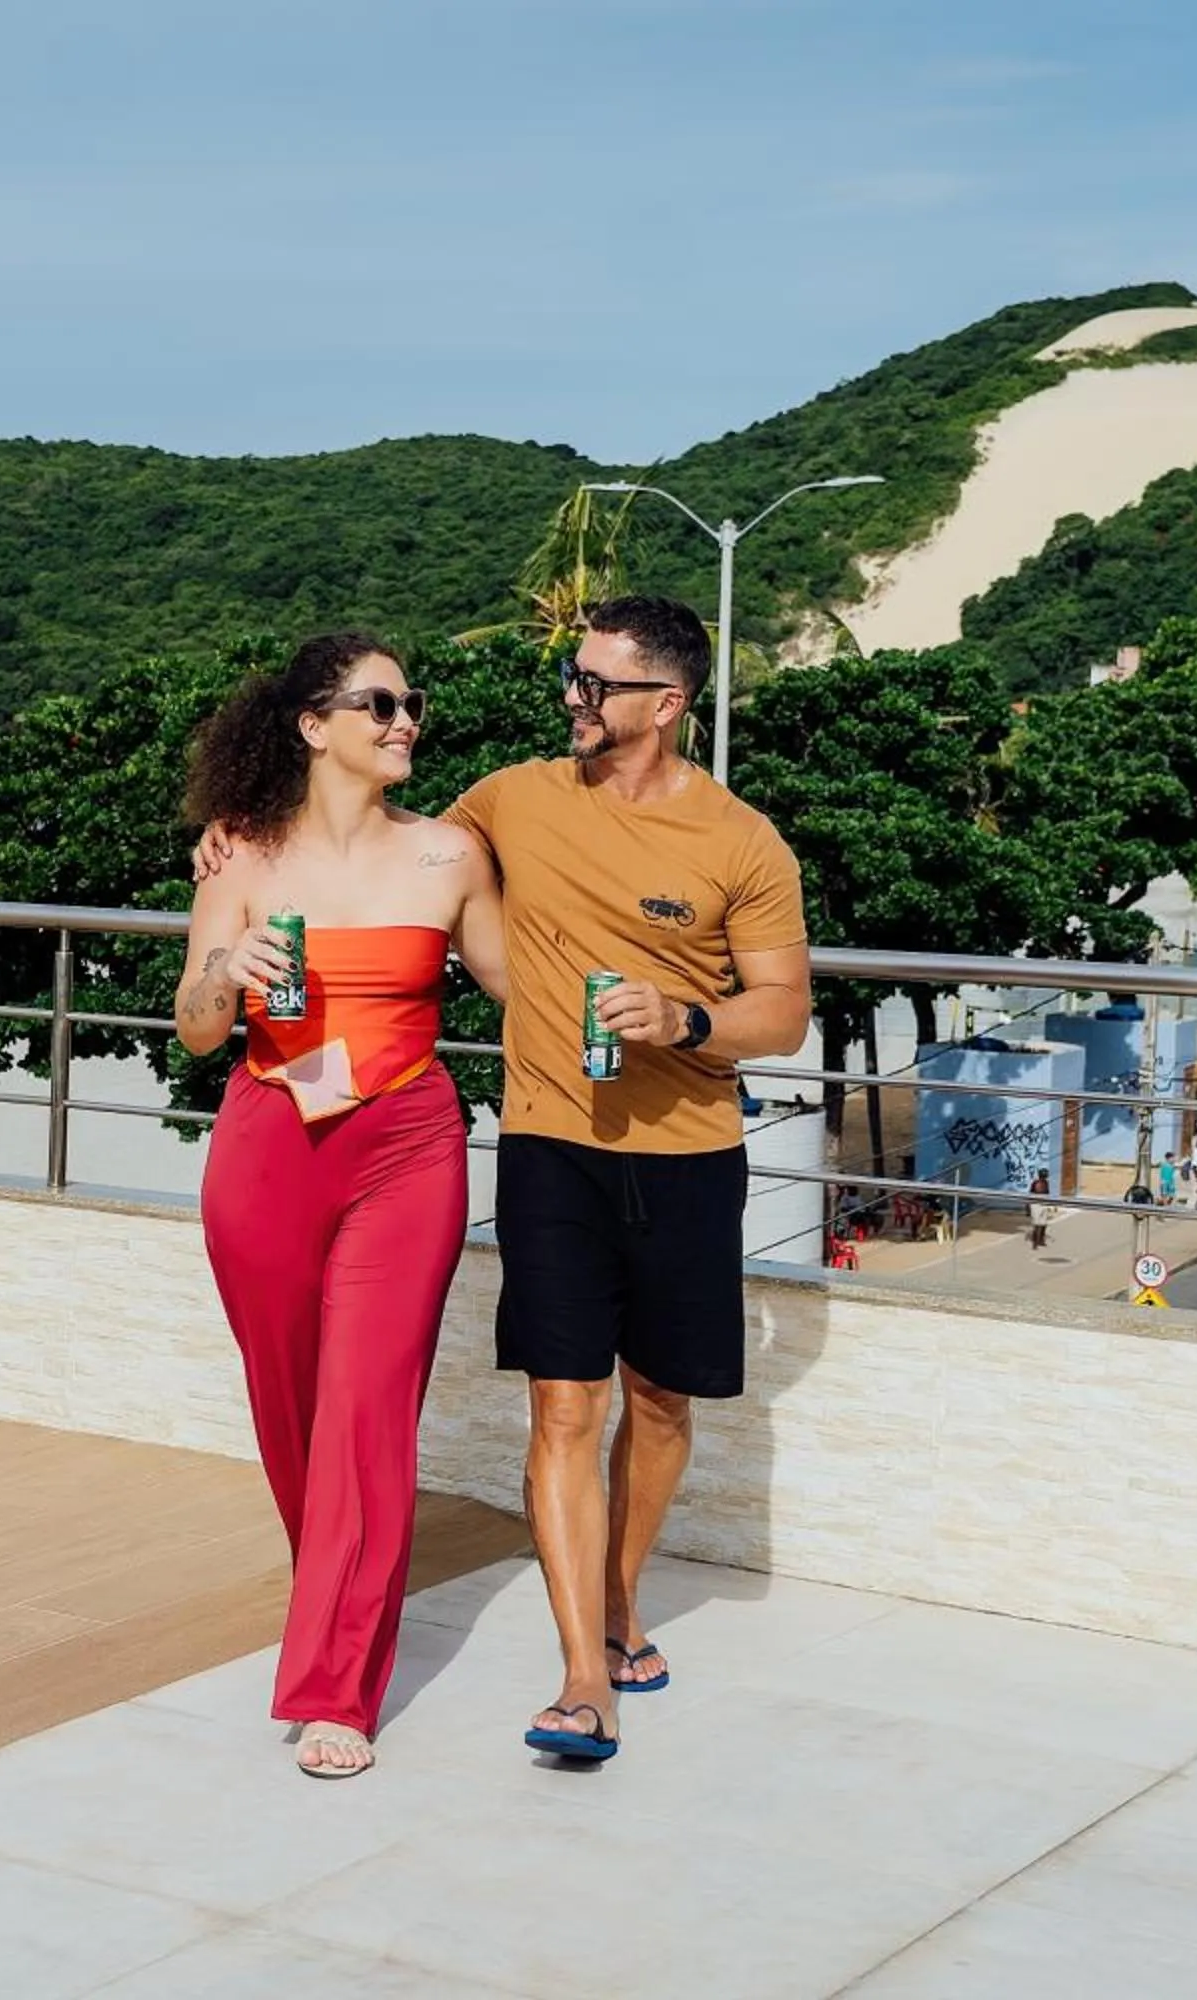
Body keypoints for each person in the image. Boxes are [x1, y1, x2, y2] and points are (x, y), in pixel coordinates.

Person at [212, 599, 809, 1765]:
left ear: (666, 704)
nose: (571, 698)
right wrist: (233, 858)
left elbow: (782, 1011)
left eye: (594, 685)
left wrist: (685, 1017)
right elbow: (370, 843)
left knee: (660, 1401)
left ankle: (612, 1612)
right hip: (545, 1141)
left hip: (684, 1146)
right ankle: (580, 1674)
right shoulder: (508, 800)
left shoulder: (743, 841)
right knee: (560, 1405)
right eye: (572, 679)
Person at [175, 632, 506, 1779]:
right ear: (313, 726)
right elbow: (197, 1028)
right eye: (379, 703)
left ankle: (336, 1684)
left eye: (412, 702)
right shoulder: (241, 853)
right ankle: (337, 1586)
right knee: (293, 1409)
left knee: (367, 1411)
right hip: (270, 1140)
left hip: (408, 1145)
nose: (405, 719)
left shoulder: (449, 852)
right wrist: (227, 973)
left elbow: (526, 984)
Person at [1027, 1170, 1059, 1251]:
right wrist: (1028, 1207)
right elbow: (1031, 1195)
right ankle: (1035, 1243)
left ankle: (1041, 1240)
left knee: (1044, 1224)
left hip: (1043, 1204)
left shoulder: (1046, 1183)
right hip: (1036, 1204)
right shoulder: (1036, 1183)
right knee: (1037, 1224)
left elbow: (1048, 1195)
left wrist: (1052, 1205)